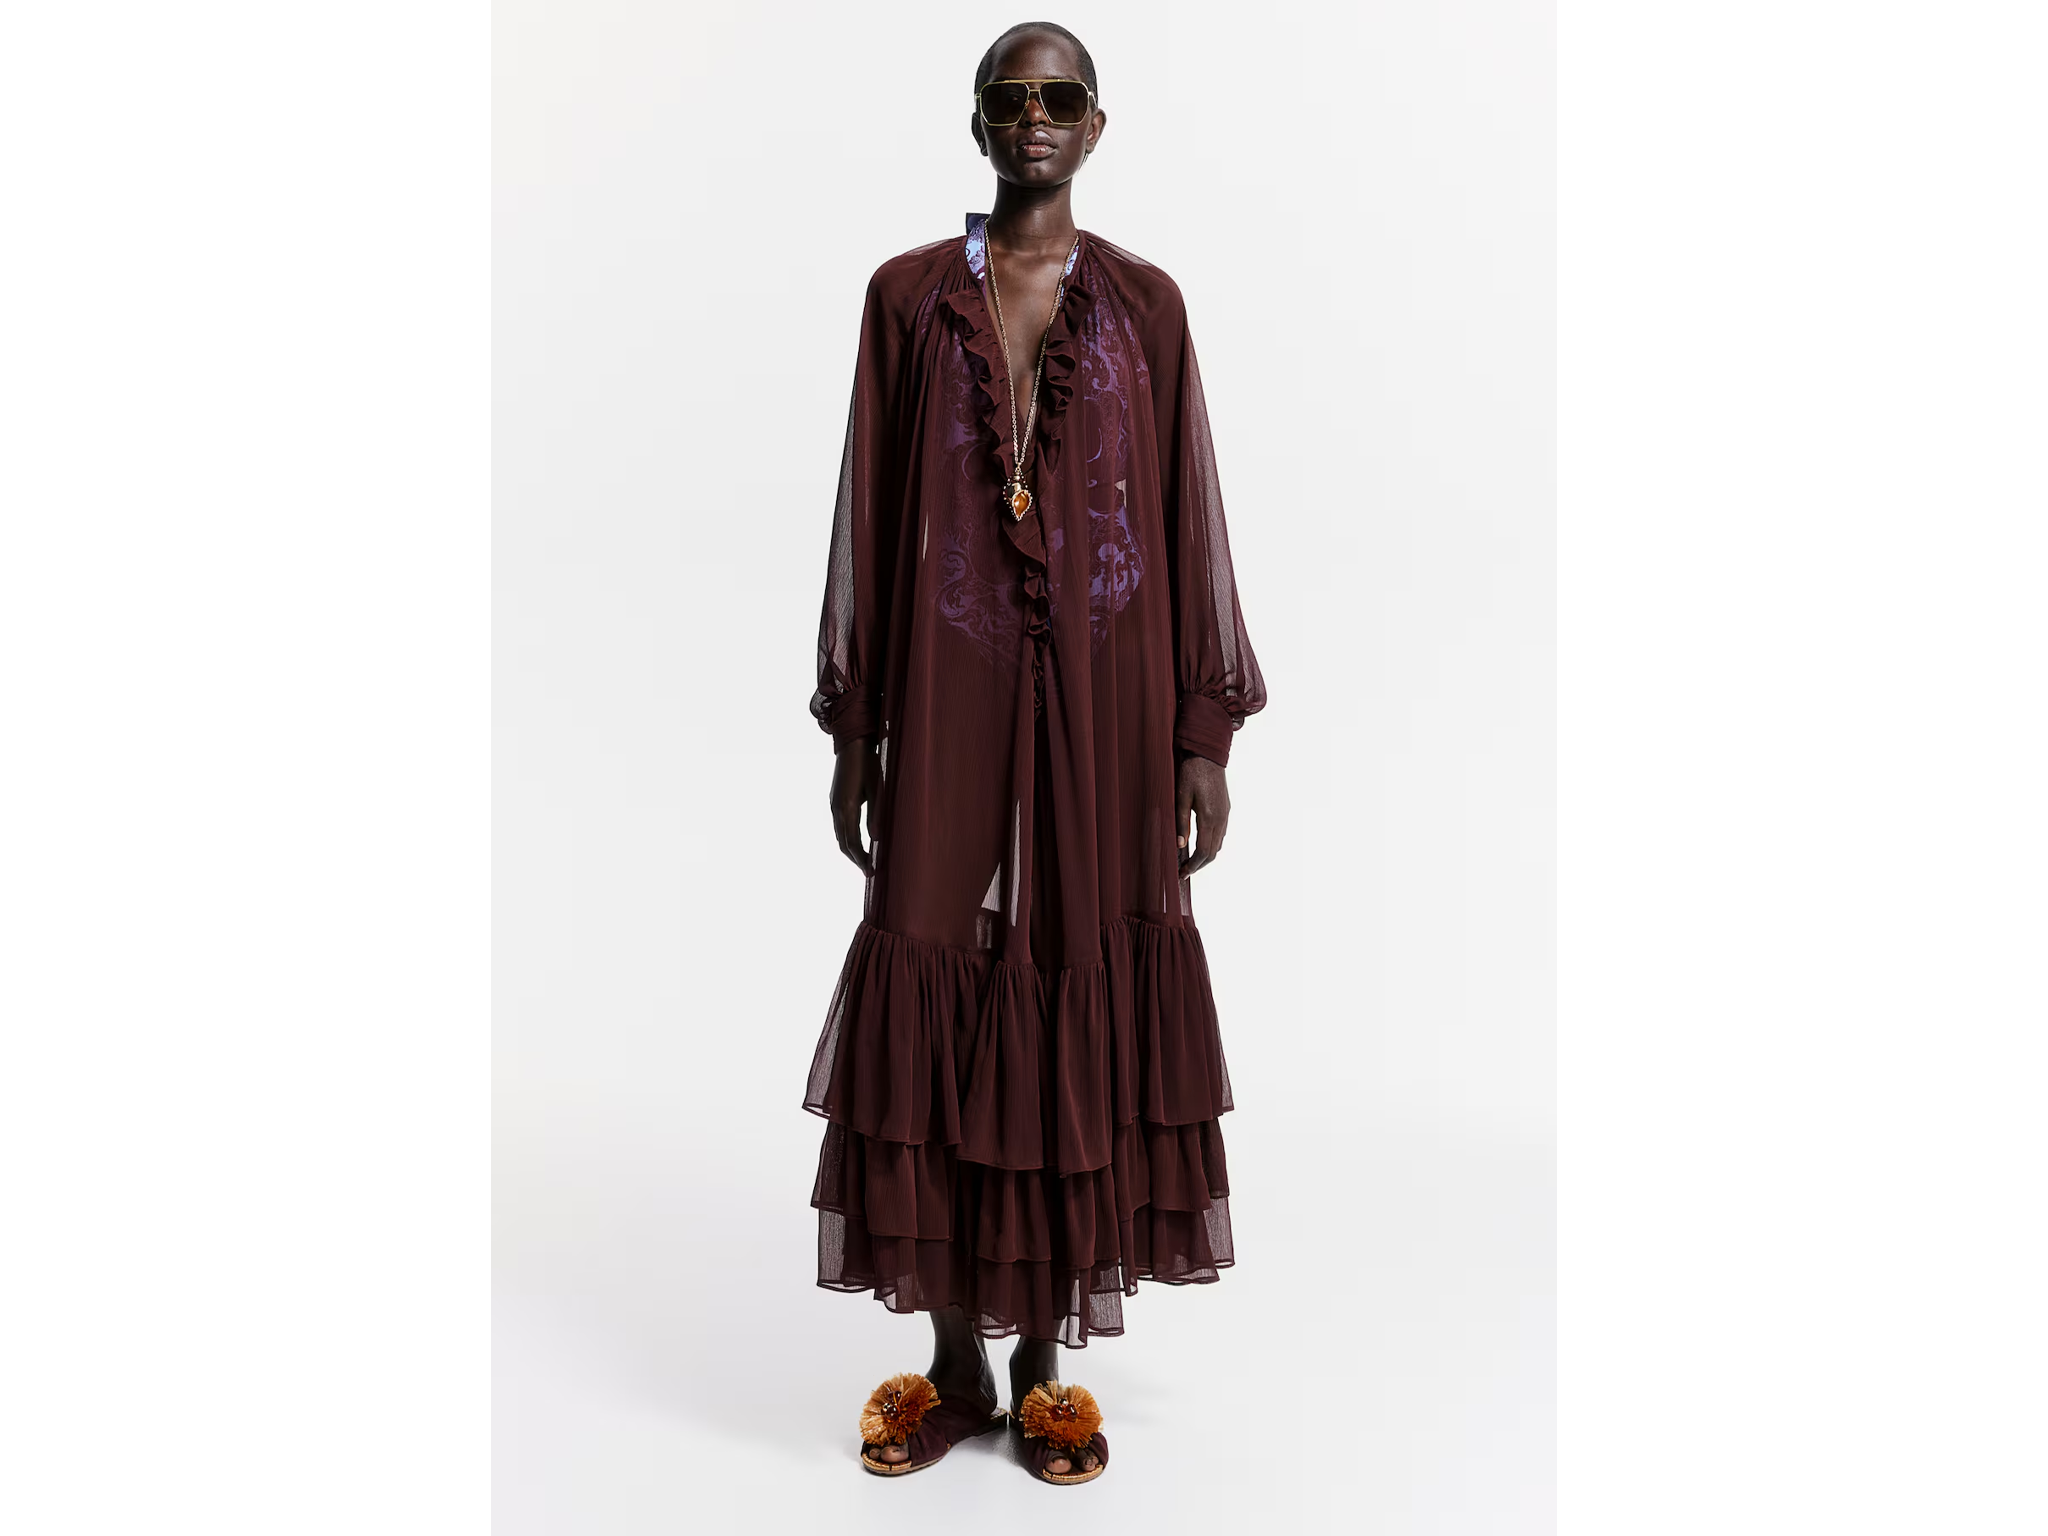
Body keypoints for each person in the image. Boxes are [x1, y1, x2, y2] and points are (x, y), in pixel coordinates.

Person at [804, 20, 1267, 1485]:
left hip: (1107, 706)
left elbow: (1190, 514)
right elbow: (870, 516)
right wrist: (857, 728)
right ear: (980, 123)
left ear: (1096, 125)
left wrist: (1202, 732)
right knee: (936, 966)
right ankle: (953, 1365)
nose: (1036, 116)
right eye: (1011, 97)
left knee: (1073, 974)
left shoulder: (1147, 307)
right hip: (946, 688)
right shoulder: (905, 300)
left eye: (1060, 96)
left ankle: (1046, 1367)